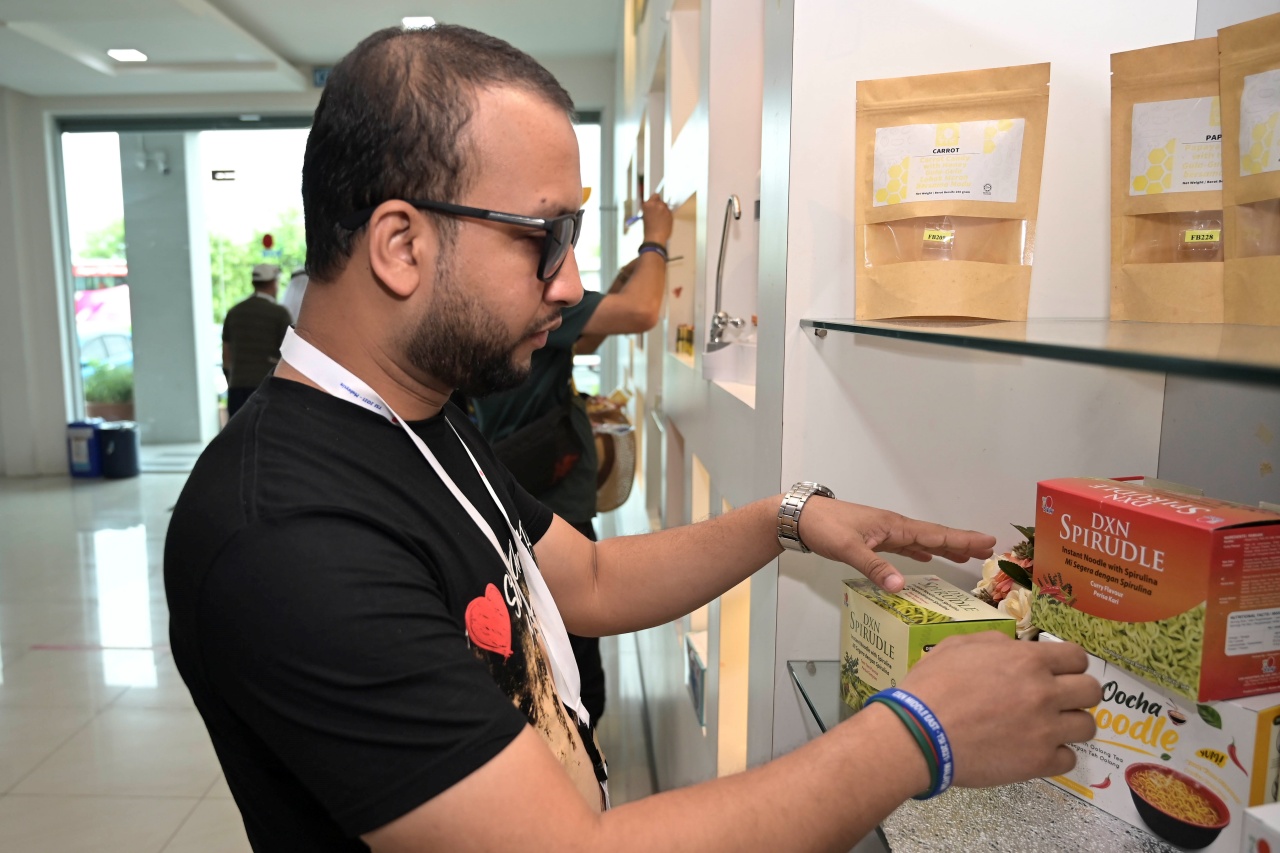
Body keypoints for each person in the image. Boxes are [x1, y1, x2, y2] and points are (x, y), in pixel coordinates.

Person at [165, 24, 1099, 853]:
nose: (572, 284)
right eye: (545, 236)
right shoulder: (285, 535)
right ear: (401, 245)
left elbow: (589, 579)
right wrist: (919, 733)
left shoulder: (417, 415)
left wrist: (785, 519)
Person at [470, 192, 674, 726]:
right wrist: (656, 240)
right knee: (576, 642)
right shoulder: (535, 284)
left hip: (515, 479)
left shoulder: (500, 294)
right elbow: (643, 312)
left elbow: (578, 344)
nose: (570, 286)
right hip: (551, 493)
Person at [221, 263, 293, 418]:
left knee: (239, 432)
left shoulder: (234, 312)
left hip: (237, 386)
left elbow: (226, 352)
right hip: (268, 388)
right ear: (274, 283)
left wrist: (230, 378)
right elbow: (289, 352)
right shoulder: (279, 313)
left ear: (254, 283)